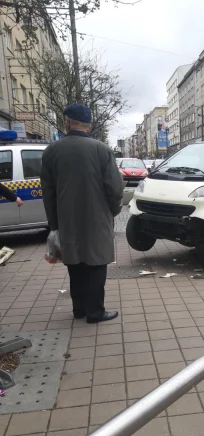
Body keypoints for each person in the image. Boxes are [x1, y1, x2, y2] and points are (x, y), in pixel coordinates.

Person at [41, 104, 124, 323]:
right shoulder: (101, 149)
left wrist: (54, 224)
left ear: (66, 123)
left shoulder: (52, 151)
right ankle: (95, 312)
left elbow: (47, 192)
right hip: (97, 219)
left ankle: (79, 309)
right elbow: (115, 189)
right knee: (96, 264)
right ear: (90, 125)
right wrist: (113, 211)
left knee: (74, 263)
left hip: (67, 220)